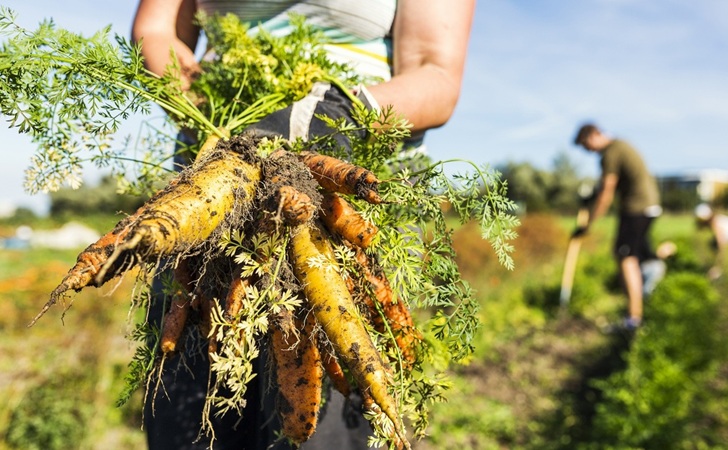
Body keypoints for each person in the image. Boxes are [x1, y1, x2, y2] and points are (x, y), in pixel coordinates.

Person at [130, 1, 476, 449]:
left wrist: (353, 109)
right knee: (190, 397)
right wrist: (206, 102)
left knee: (327, 405)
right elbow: (156, 31)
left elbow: (436, 74)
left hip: (346, 181)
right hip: (214, 184)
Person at [572, 123, 662, 332]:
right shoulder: (621, 145)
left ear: (593, 136)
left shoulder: (610, 153)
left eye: (586, 145)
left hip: (636, 209)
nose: (588, 151)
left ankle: (633, 319)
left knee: (625, 257)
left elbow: (607, 191)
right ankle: (647, 302)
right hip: (649, 206)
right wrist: (591, 196)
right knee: (640, 255)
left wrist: (587, 224)